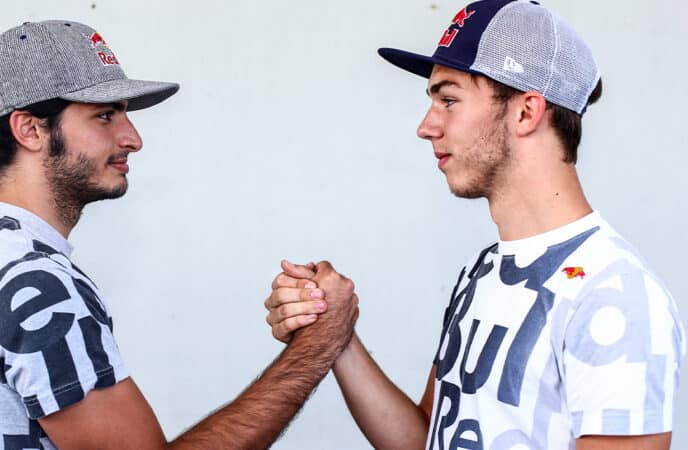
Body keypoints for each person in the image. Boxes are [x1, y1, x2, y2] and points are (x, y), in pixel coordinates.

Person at [265, 0, 685, 448]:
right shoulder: (482, 270)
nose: (426, 126)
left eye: (449, 100)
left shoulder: (615, 296)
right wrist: (336, 335)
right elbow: (425, 440)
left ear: (526, 112)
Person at [0, 20, 359, 449]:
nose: (133, 138)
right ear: (30, 130)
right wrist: (317, 346)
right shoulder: (35, 283)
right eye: (104, 115)